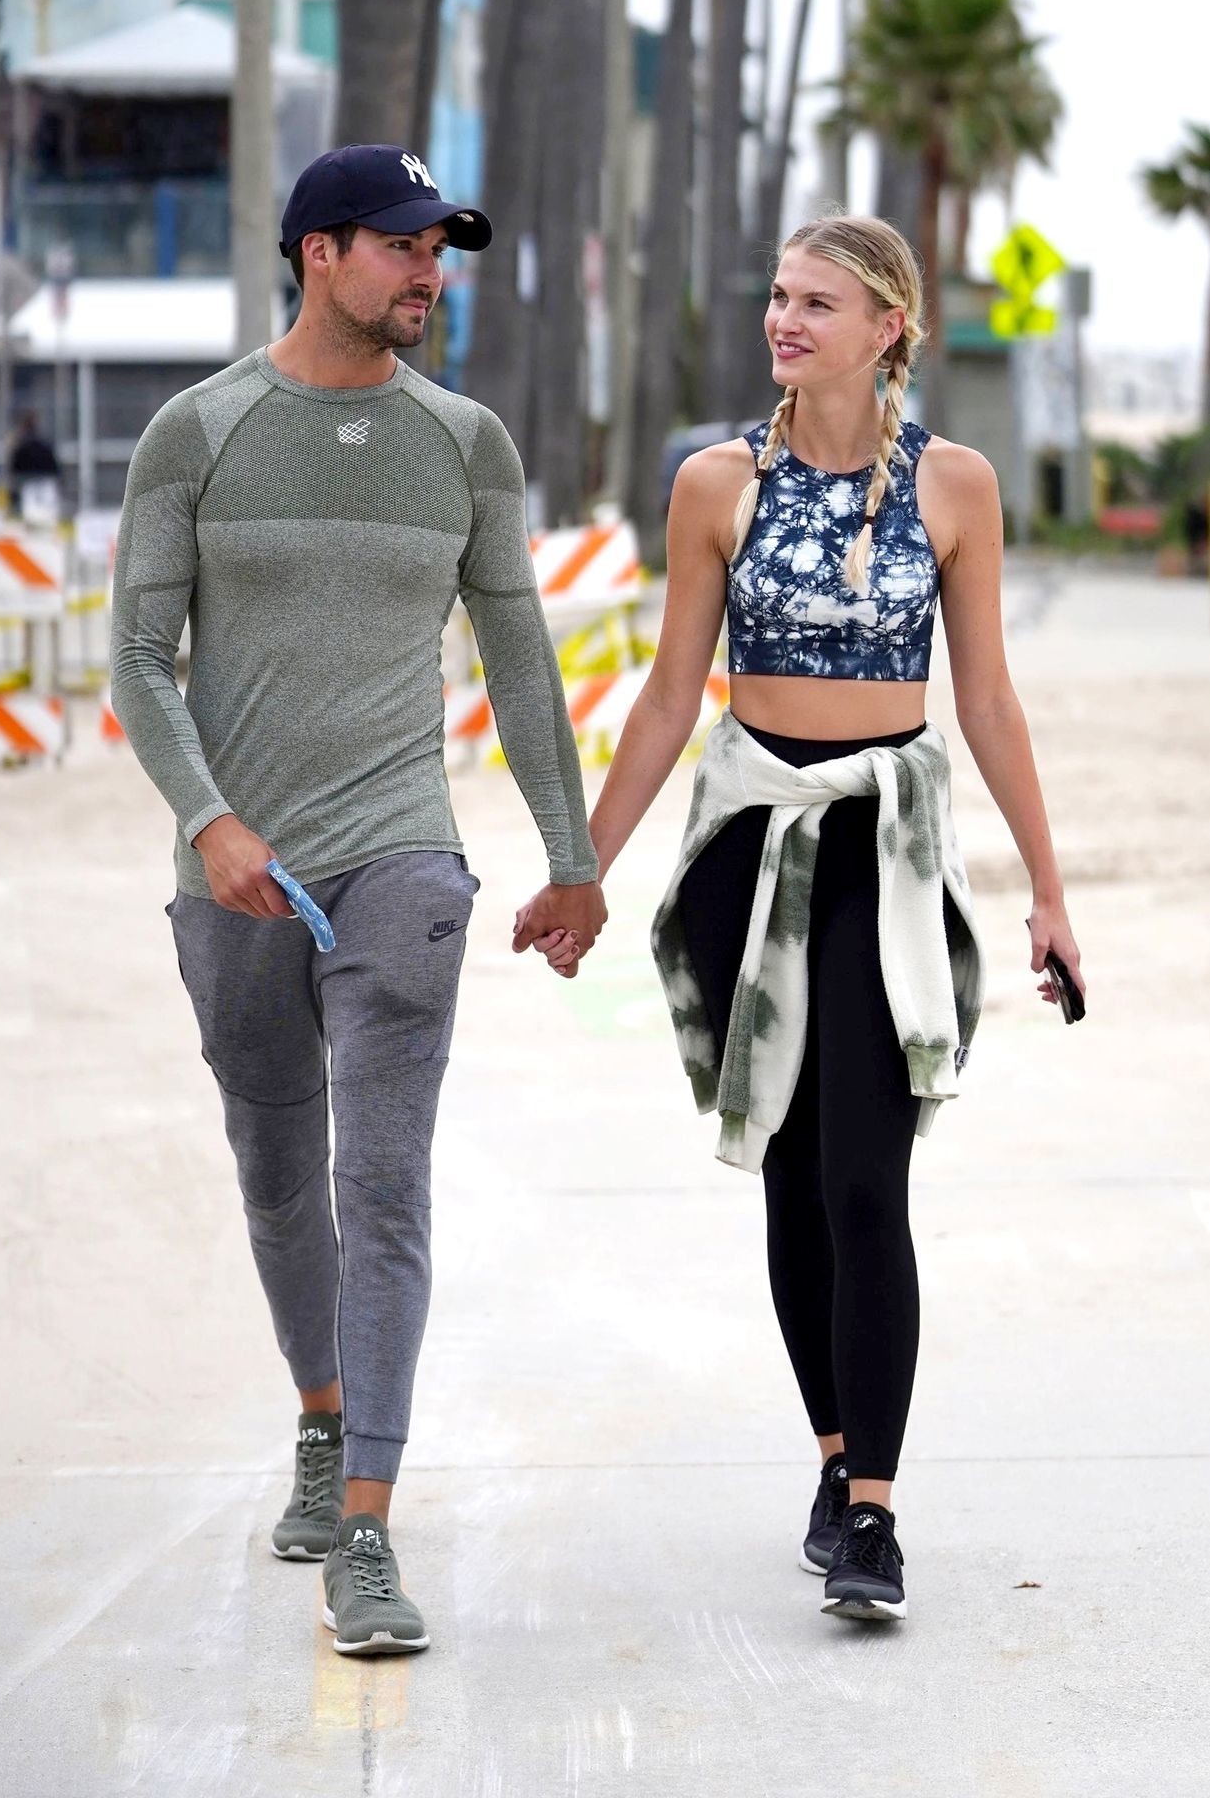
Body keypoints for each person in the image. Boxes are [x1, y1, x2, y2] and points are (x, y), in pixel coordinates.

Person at [516, 213, 1084, 1624]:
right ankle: (834, 1464)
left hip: (884, 855)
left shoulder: (955, 486)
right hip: (747, 851)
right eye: (778, 296)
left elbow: (987, 699)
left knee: (865, 1179)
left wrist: (1048, 890)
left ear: (888, 326)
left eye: (817, 302)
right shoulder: (716, 484)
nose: (784, 320)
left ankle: (874, 1513)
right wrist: (585, 870)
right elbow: (667, 698)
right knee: (789, 1176)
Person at [109, 144, 606, 1657]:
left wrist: (570, 854)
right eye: (402, 246)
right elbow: (136, 661)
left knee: (383, 1182)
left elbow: (520, 664)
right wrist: (210, 824)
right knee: (278, 1173)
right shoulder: (198, 433)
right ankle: (322, 1422)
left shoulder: (465, 444)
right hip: (238, 875)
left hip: (404, 857)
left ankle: (370, 1532)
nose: (428, 272)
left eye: (439, 249)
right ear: (318, 253)